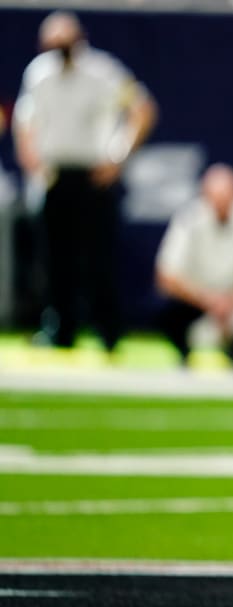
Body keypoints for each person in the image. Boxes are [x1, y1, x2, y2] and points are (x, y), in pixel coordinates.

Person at [12, 10, 156, 353]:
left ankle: (108, 329)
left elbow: (143, 109)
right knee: (54, 259)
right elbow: (25, 119)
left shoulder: (102, 72)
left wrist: (118, 157)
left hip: (93, 177)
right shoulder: (39, 74)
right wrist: (31, 159)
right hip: (55, 175)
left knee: (98, 257)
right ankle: (61, 328)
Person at [154, 164, 233, 368]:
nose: (221, 205)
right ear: (204, 196)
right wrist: (206, 299)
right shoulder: (188, 219)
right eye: (215, 198)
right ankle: (185, 351)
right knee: (164, 307)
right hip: (197, 301)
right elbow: (166, 275)